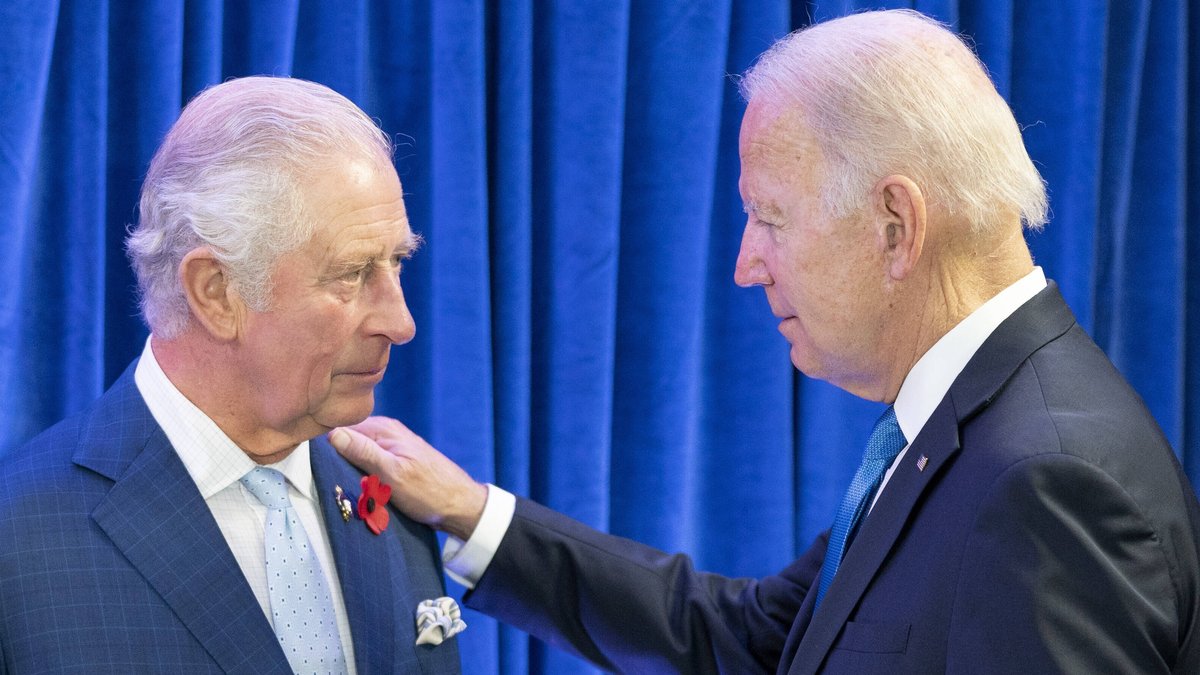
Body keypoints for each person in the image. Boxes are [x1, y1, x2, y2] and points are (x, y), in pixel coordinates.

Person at [330, 9, 1200, 674]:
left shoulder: (1043, 482)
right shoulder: (961, 424)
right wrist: (473, 514)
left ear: (895, 225)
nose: (746, 264)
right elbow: (755, 639)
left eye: (769, 218)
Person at [0, 77, 461, 674]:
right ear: (217, 293)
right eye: (350, 273)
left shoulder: (396, 496)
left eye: (397, 262)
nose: (401, 323)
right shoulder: (20, 542)